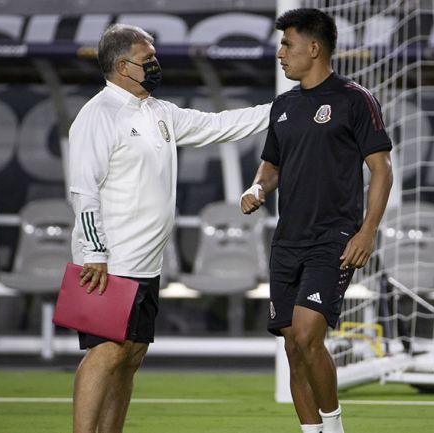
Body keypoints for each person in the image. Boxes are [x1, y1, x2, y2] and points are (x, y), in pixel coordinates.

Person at [68, 23, 270, 433]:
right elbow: (83, 191)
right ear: (123, 66)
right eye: (149, 59)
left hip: (146, 262)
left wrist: (285, 109)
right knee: (105, 352)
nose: (156, 65)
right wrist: (94, 253)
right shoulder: (97, 115)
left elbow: (219, 125)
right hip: (109, 260)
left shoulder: (159, 112)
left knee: (131, 353)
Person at [240, 8, 393, 433]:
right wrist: (257, 188)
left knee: (308, 334)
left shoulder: (354, 98)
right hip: (288, 240)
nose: (280, 54)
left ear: (314, 47)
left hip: (335, 237)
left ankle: (334, 425)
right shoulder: (283, 106)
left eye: (287, 44)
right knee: (292, 345)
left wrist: (368, 231)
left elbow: (381, 169)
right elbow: (270, 167)